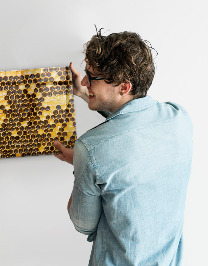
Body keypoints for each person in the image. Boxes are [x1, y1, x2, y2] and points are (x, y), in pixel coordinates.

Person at [53, 31, 193, 265]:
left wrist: (82, 163)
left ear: (124, 86)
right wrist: (83, 93)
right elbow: (133, 125)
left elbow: (82, 224)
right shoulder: (179, 118)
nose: (85, 81)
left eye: (91, 77)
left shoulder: (90, 149)